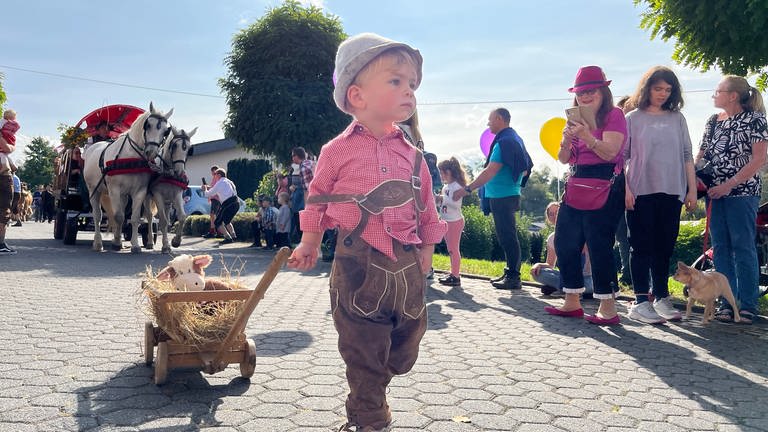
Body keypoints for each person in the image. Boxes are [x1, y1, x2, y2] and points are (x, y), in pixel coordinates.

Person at [288, 33, 446, 432]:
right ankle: (371, 416)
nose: (409, 91)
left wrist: (428, 247)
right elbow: (318, 197)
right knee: (362, 349)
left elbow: (426, 202)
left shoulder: (413, 154)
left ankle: (374, 382)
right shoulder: (336, 150)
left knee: (404, 346)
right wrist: (309, 241)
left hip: (407, 263)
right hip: (355, 263)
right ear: (357, 96)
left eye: (411, 83)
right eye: (396, 81)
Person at [545, 65, 626, 326]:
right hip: (577, 181)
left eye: (591, 91)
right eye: (581, 93)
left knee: (599, 244)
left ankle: (608, 307)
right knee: (565, 240)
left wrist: (587, 136)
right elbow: (563, 158)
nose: (585, 96)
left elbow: (611, 152)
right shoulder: (574, 118)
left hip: (606, 182)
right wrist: (567, 141)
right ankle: (571, 301)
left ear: (603, 91)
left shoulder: (615, 115)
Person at [623, 66, 696, 324]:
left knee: (664, 246)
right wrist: (626, 189)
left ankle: (661, 297)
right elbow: (623, 157)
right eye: (658, 89)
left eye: (668, 89)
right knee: (641, 245)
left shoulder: (678, 118)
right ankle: (640, 300)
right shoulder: (632, 117)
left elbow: (687, 154)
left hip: (672, 190)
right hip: (640, 190)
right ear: (647, 88)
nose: (663, 94)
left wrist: (691, 189)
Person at [696, 75, 768, 325]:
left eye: (718, 91)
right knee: (721, 248)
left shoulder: (755, 119)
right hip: (714, 193)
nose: (714, 95)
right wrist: (696, 179)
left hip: (743, 192)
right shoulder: (713, 121)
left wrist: (729, 185)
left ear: (733, 95)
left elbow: (759, 159)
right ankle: (727, 302)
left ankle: (748, 305)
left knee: (743, 246)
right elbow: (701, 156)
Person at [453, 108, 534, 290]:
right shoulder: (514, 139)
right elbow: (526, 167)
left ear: (499, 119)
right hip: (505, 194)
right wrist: (515, 181)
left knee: (507, 236)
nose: (488, 124)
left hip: (503, 196)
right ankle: (510, 271)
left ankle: (514, 277)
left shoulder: (505, 141)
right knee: (506, 235)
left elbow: (490, 170)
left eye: (490, 120)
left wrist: (468, 189)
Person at [530, 202, 594, 297]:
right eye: (551, 214)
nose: (555, 216)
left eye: (557, 212)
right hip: (565, 276)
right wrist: (538, 264)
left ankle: (563, 288)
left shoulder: (580, 231)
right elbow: (550, 265)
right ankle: (565, 287)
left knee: (589, 285)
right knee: (538, 274)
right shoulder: (552, 238)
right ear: (548, 219)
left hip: (586, 277)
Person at [436, 157, 468, 287]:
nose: (441, 175)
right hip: (446, 220)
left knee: (454, 249)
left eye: (443, 172)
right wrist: (438, 200)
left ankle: (455, 276)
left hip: (454, 221)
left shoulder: (457, 186)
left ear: (449, 172)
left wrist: (441, 199)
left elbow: (455, 204)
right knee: (451, 249)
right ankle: (453, 273)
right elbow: (445, 203)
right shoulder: (446, 187)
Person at [614, 96, 634, 286]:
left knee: (633, 235)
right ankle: (626, 274)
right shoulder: (616, 132)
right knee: (621, 235)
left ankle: (631, 275)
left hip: (635, 187)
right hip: (618, 187)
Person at [202, 168, 239, 244]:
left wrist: (205, 189)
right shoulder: (229, 181)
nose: (214, 175)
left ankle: (228, 238)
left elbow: (208, 194)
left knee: (217, 222)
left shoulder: (219, 182)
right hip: (236, 202)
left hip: (228, 203)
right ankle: (234, 236)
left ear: (219, 175)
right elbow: (222, 190)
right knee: (227, 221)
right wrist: (211, 188)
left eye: (215, 174)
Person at [289, 147, 314, 243]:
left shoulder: (303, 167)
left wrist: (306, 205)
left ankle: (304, 243)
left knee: (299, 220)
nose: (292, 158)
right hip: (316, 197)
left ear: (296, 156)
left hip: (303, 199)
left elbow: (307, 188)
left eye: (292, 156)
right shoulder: (310, 163)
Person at [0, 132, 16, 255]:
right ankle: (0, 244)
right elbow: (8, 148)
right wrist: (12, 147)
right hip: (4, 178)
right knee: (4, 211)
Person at [203, 165, 222, 239]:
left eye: (214, 171)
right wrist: (208, 187)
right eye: (212, 172)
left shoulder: (217, 178)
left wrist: (207, 188)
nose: (213, 173)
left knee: (213, 214)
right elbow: (213, 187)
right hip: (214, 198)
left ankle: (216, 231)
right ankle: (216, 231)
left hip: (216, 198)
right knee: (214, 215)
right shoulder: (215, 178)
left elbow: (215, 188)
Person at [0, 110, 20, 174]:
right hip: (11, 139)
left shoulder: (3, 121)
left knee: (1, 152)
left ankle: (5, 165)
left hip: (4, 138)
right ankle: (13, 165)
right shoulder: (15, 123)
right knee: (5, 154)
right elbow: (16, 129)